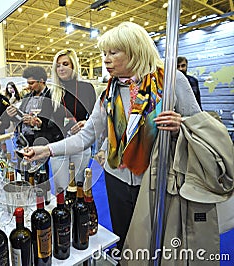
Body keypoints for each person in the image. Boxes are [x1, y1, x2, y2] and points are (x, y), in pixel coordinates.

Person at [23, 22, 201, 253]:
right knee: (124, 236)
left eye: (113, 53)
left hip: (157, 179)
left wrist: (181, 125)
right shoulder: (109, 92)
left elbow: (199, 126)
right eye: (104, 53)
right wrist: (47, 150)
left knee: (158, 240)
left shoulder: (170, 81)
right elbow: (87, 135)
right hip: (116, 177)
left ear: (135, 50)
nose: (105, 59)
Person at [48, 49, 96, 189]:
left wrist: (86, 122)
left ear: (73, 65)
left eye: (65, 64)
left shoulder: (87, 88)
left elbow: (96, 116)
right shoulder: (52, 91)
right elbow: (46, 122)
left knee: (79, 187)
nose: (61, 68)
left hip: (80, 143)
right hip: (59, 144)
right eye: (58, 65)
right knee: (61, 189)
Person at [6, 66, 54, 175]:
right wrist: (12, 115)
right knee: (26, 172)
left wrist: (37, 122)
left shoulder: (51, 97)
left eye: (31, 83)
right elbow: (21, 117)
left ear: (41, 80)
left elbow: (52, 121)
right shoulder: (27, 97)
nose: (29, 86)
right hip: (25, 141)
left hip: (41, 141)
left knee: (42, 174)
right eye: (28, 83)